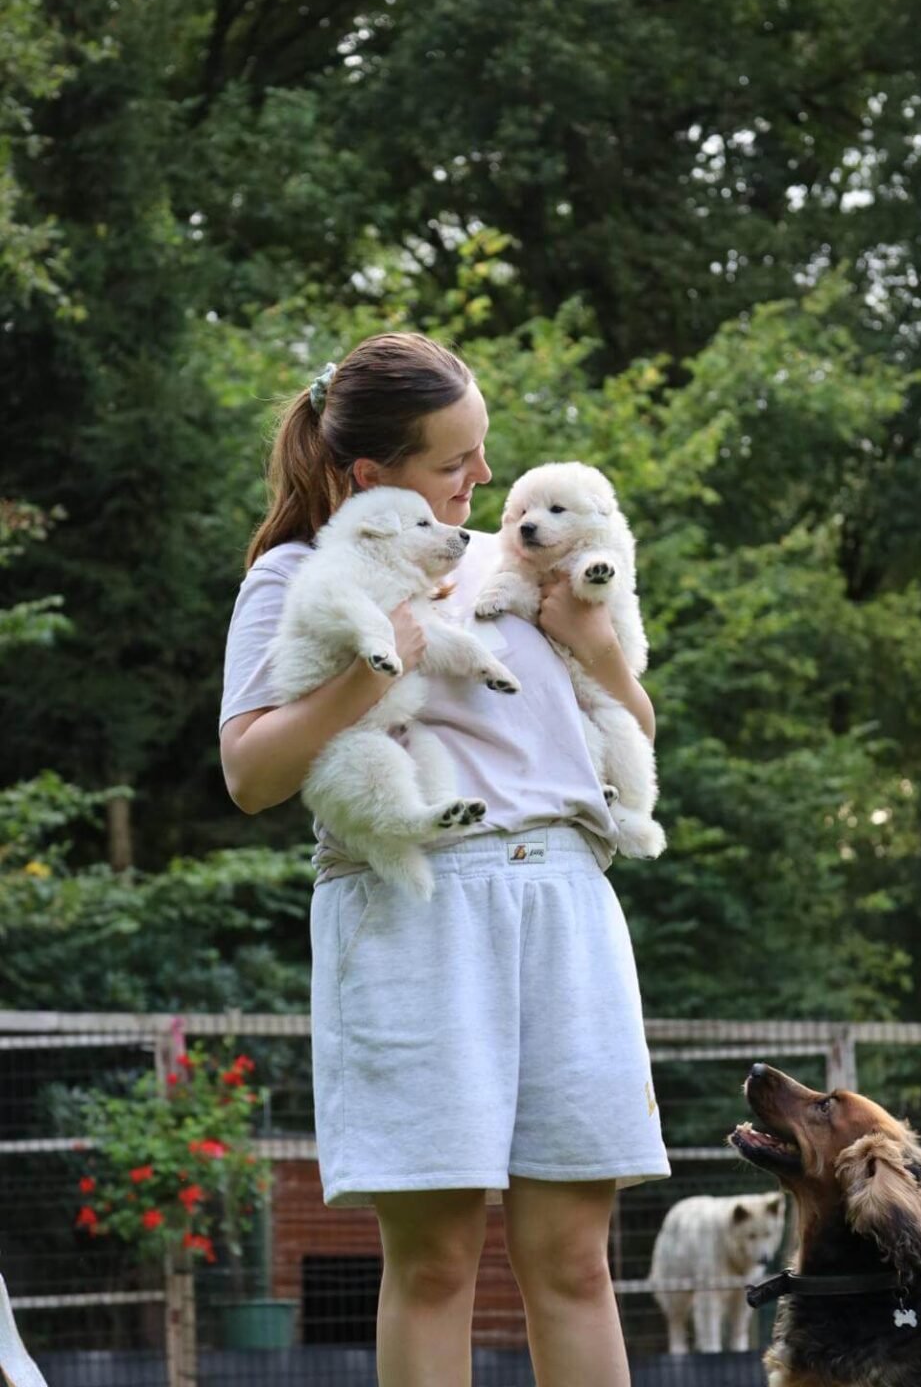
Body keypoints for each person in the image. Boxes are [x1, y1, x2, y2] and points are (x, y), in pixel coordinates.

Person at [219, 332, 669, 1387]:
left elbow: (629, 726)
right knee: (435, 1267)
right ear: (371, 476)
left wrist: (600, 650)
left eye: (484, 451)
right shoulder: (300, 574)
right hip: (418, 908)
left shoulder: (520, 557)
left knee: (574, 1263)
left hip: (565, 895)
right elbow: (249, 775)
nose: (484, 480)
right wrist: (383, 664)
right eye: (454, 463)